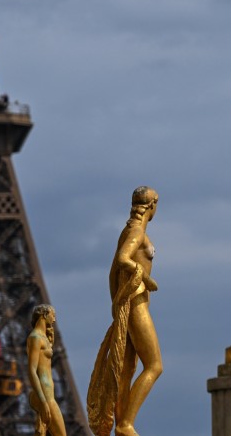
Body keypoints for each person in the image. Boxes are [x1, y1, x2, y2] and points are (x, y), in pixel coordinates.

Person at [87, 186, 162, 436]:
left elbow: (112, 272)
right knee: (154, 365)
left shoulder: (127, 230)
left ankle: (121, 424)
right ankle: (126, 424)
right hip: (137, 304)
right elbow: (122, 259)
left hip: (127, 304)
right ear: (152, 206)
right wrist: (145, 280)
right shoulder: (138, 232)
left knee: (126, 367)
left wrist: (116, 304)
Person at [27, 304, 66, 436]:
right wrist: (43, 402)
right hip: (45, 395)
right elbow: (32, 370)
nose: (54, 320)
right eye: (53, 316)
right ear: (44, 315)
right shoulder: (35, 338)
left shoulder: (42, 338)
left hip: (48, 394)